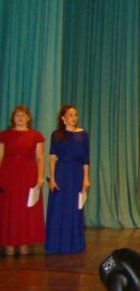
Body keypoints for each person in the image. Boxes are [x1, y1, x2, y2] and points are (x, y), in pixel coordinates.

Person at [0, 105, 46, 256]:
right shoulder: (4, 135)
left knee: (25, 210)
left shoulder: (36, 135)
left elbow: (40, 158)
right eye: (17, 115)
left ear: (28, 118)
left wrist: (40, 177)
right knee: (8, 209)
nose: (20, 118)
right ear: (13, 118)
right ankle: (8, 243)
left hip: (28, 175)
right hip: (8, 175)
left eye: (23, 115)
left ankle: (24, 243)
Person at [45, 105, 90, 254]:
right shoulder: (56, 135)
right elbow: (52, 158)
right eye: (70, 114)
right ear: (63, 118)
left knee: (75, 208)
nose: (74, 117)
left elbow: (85, 159)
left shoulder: (83, 135)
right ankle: (56, 244)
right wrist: (52, 178)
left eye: (75, 114)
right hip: (61, 173)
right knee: (59, 208)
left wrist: (86, 178)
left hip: (76, 174)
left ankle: (74, 244)